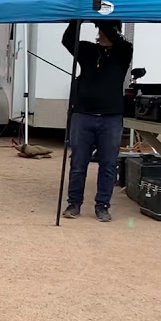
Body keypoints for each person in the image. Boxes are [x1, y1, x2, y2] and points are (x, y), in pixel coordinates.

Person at [61, 20, 133, 222]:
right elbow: (67, 40)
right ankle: (73, 203)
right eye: (99, 29)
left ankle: (102, 206)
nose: (100, 32)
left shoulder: (124, 51)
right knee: (78, 163)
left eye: (104, 29)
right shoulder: (87, 50)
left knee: (108, 164)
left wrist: (99, 16)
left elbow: (117, 39)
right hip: (83, 115)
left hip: (111, 117)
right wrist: (77, 20)